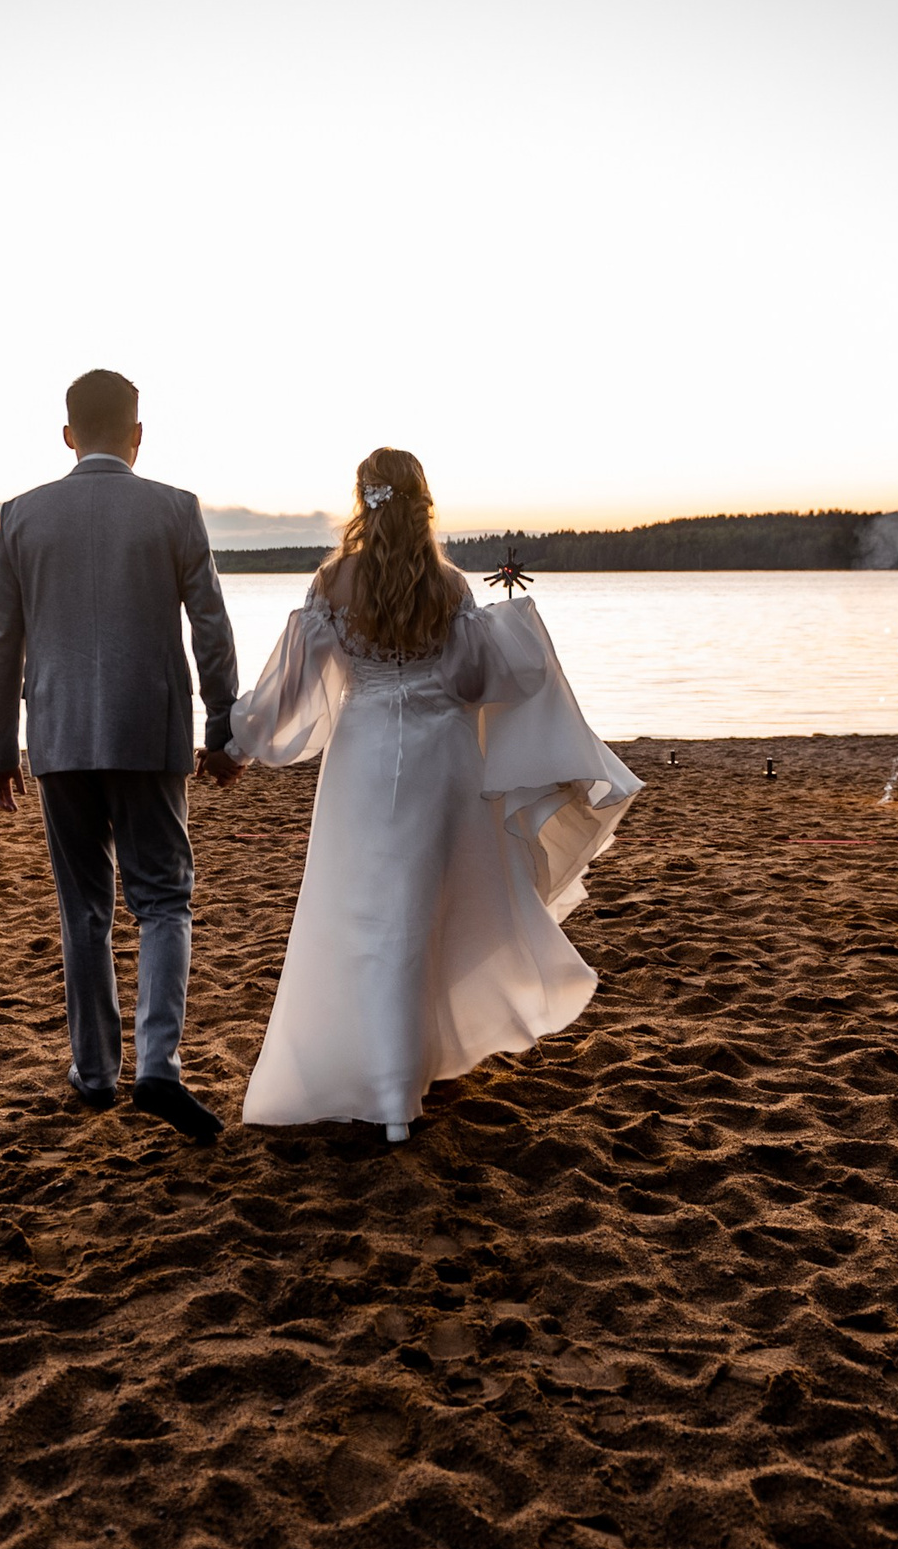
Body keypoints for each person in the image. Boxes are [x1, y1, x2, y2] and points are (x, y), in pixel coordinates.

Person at [226, 448, 640, 1142]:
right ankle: (400, 1081)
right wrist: (511, 633)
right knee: (420, 913)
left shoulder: (333, 580)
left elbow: (293, 692)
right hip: (438, 760)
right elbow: (475, 683)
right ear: (423, 503)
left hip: (361, 758)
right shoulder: (448, 586)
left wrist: (238, 741)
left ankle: (387, 1084)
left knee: (362, 914)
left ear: (364, 502)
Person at [0, 370, 242, 1141]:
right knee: (163, 899)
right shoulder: (174, 509)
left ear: (69, 435)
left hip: (58, 735)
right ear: (136, 433)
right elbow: (212, 628)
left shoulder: (22, 516)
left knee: (83, 908)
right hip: (147, 729)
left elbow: (2, 642)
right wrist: (224, 729)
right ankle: (158, 1065)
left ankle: (94, 1072)